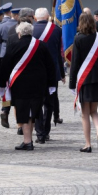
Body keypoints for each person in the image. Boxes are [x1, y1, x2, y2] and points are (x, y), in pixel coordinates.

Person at [0, 22, 56, 151]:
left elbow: (5, 66)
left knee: (24, 112)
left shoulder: (13, 45)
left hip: (20, 85)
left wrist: (1, 84)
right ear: (31, 33)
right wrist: (52, 84)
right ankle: (28, 140)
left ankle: (27, 141)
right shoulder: (41, 45)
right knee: (33, 112)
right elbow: (50, 66)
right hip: (38, 85)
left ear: (19, 33)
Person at [69, 13, 98, 153]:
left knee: (84, 113)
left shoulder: (78, 38)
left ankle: (88, 144)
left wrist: (72, 83)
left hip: (85, 80)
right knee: (94, 111)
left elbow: (75, 63)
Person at [32, 8, 65, 144]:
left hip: (34, 72)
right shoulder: (56, 30)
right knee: (49, 104)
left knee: (36, 103)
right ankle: (46, 131)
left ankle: (39, 133)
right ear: (48, 17)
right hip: (52, 72)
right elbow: (59, 54)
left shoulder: (30, 29)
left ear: (35, 18)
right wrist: (62, 74)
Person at [0, 2, 16, 128]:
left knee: (6, 86)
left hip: (4, 56)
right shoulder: (18, 25)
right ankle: (19, 121)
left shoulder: (2, 26)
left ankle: (5, 111)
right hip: (17, 57)